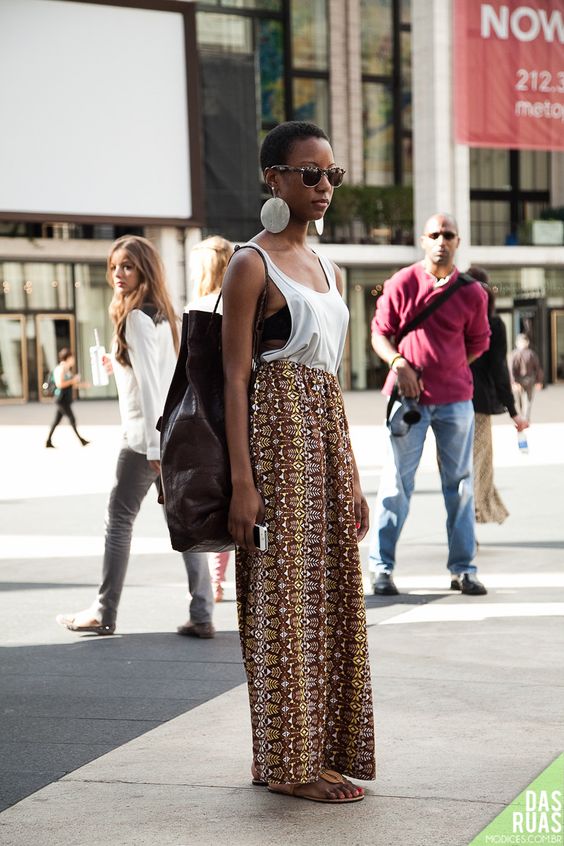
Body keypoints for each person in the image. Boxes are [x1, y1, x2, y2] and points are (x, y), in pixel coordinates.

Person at [221, 121, 375, 804]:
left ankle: (316, 750)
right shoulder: (250, 263)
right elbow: (232, 380)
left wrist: (353, 476)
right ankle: (287, 763)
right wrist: (242, 483)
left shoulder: (332, 268)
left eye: (331, 175)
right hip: (275, 441)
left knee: (332, 602)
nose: (323, 187)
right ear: (272, 178)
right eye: (309, 173)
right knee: (284, 604)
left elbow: (332, 379)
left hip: (324, 435)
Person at [56, 235, 215, 638]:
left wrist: (152, 446)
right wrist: (118, 363)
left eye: (126, 266)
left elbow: (151, 386)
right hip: (168, 435)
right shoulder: (163, 315)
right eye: (113, 267)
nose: (117, 275)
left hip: (145, 438)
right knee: (184, 522)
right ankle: (202, 613)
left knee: (118, 521)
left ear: (143, 268)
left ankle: (104, 612)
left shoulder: (136, 318)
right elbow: (161, 374)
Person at [369, 213, 491, 597]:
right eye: (435, 234)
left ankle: (463, 570)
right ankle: (381, 569)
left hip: (456, 401)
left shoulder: (472, 292)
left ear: (458, 242)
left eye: (449, 234)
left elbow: (479, 343)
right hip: (407, 402)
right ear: (423, 240)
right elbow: (379, 334)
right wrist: (399, 363)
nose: (442, 240)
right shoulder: (402, 282)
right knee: (395, 484)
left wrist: (450, 367)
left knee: (460, 487)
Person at [186, 235, 234, 602]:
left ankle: (210, 586)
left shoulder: (199, 307)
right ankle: (219, 579)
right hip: (240, 410)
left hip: (205, 415)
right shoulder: (242, 305)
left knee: (206, 494)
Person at [468, 267, 529, 524]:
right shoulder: (492, 323)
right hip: (478, 404)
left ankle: (466, 521)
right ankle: (472, 518)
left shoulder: (454, 316)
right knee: (478, 465)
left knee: (454, 468)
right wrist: (514, 411)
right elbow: (499, 369)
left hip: (447, 401)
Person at [45, 348, 89, 448]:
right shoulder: (60, 369)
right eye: (72, 357)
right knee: (72, 419)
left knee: (56, 421)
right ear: (68, 358)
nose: (73, 360)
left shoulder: (67, 370)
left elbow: (71, 384)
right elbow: (60, 384)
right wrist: (73, 380)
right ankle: (81, 440)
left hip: (64, 400)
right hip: (61, 399)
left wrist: (82, 385)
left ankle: (48, 441)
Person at [509, 333, 543, 422]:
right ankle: (525, 417)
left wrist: (513, 382)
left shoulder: (516, 354)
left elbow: (510, 370)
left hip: (524, 381)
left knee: (522, 399)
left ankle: (523, 416)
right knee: (526, 400)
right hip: (526, 381)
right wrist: (539, 381)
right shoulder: (530, 354)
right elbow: (538, 368)